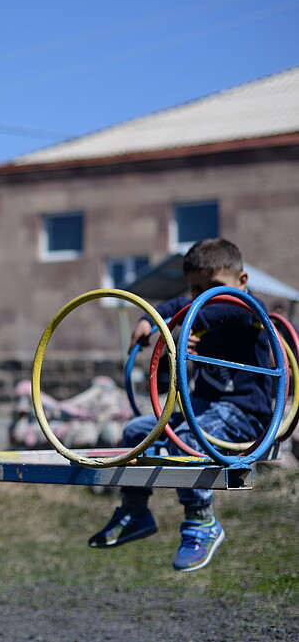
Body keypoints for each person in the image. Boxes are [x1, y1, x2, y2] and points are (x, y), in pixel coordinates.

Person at [88, 238, 274, 572]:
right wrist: (151, 319)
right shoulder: (193, 308)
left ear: (241, 282)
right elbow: (178, 304)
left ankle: (202, 523)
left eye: (214, 286)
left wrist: (173, 324)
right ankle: (135, 511)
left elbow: (212, 309)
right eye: (196, 288)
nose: (204, 294)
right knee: (136, 431)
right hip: (203, 409)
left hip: (244, 414)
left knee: (188, 439)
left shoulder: (248, 308)